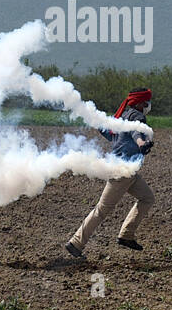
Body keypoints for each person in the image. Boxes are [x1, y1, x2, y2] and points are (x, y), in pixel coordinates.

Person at [66, 87, 155, 257]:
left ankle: (126, 235)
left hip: (128, 172)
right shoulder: (137, 117)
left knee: (147, 198)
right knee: (102, 209)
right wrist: (142, 144)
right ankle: (76, 243)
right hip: (122, 172)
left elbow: (110, 134)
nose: (149, 105)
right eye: (147, 101)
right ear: (140, 103)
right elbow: (137, 133)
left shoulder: (122, 116)